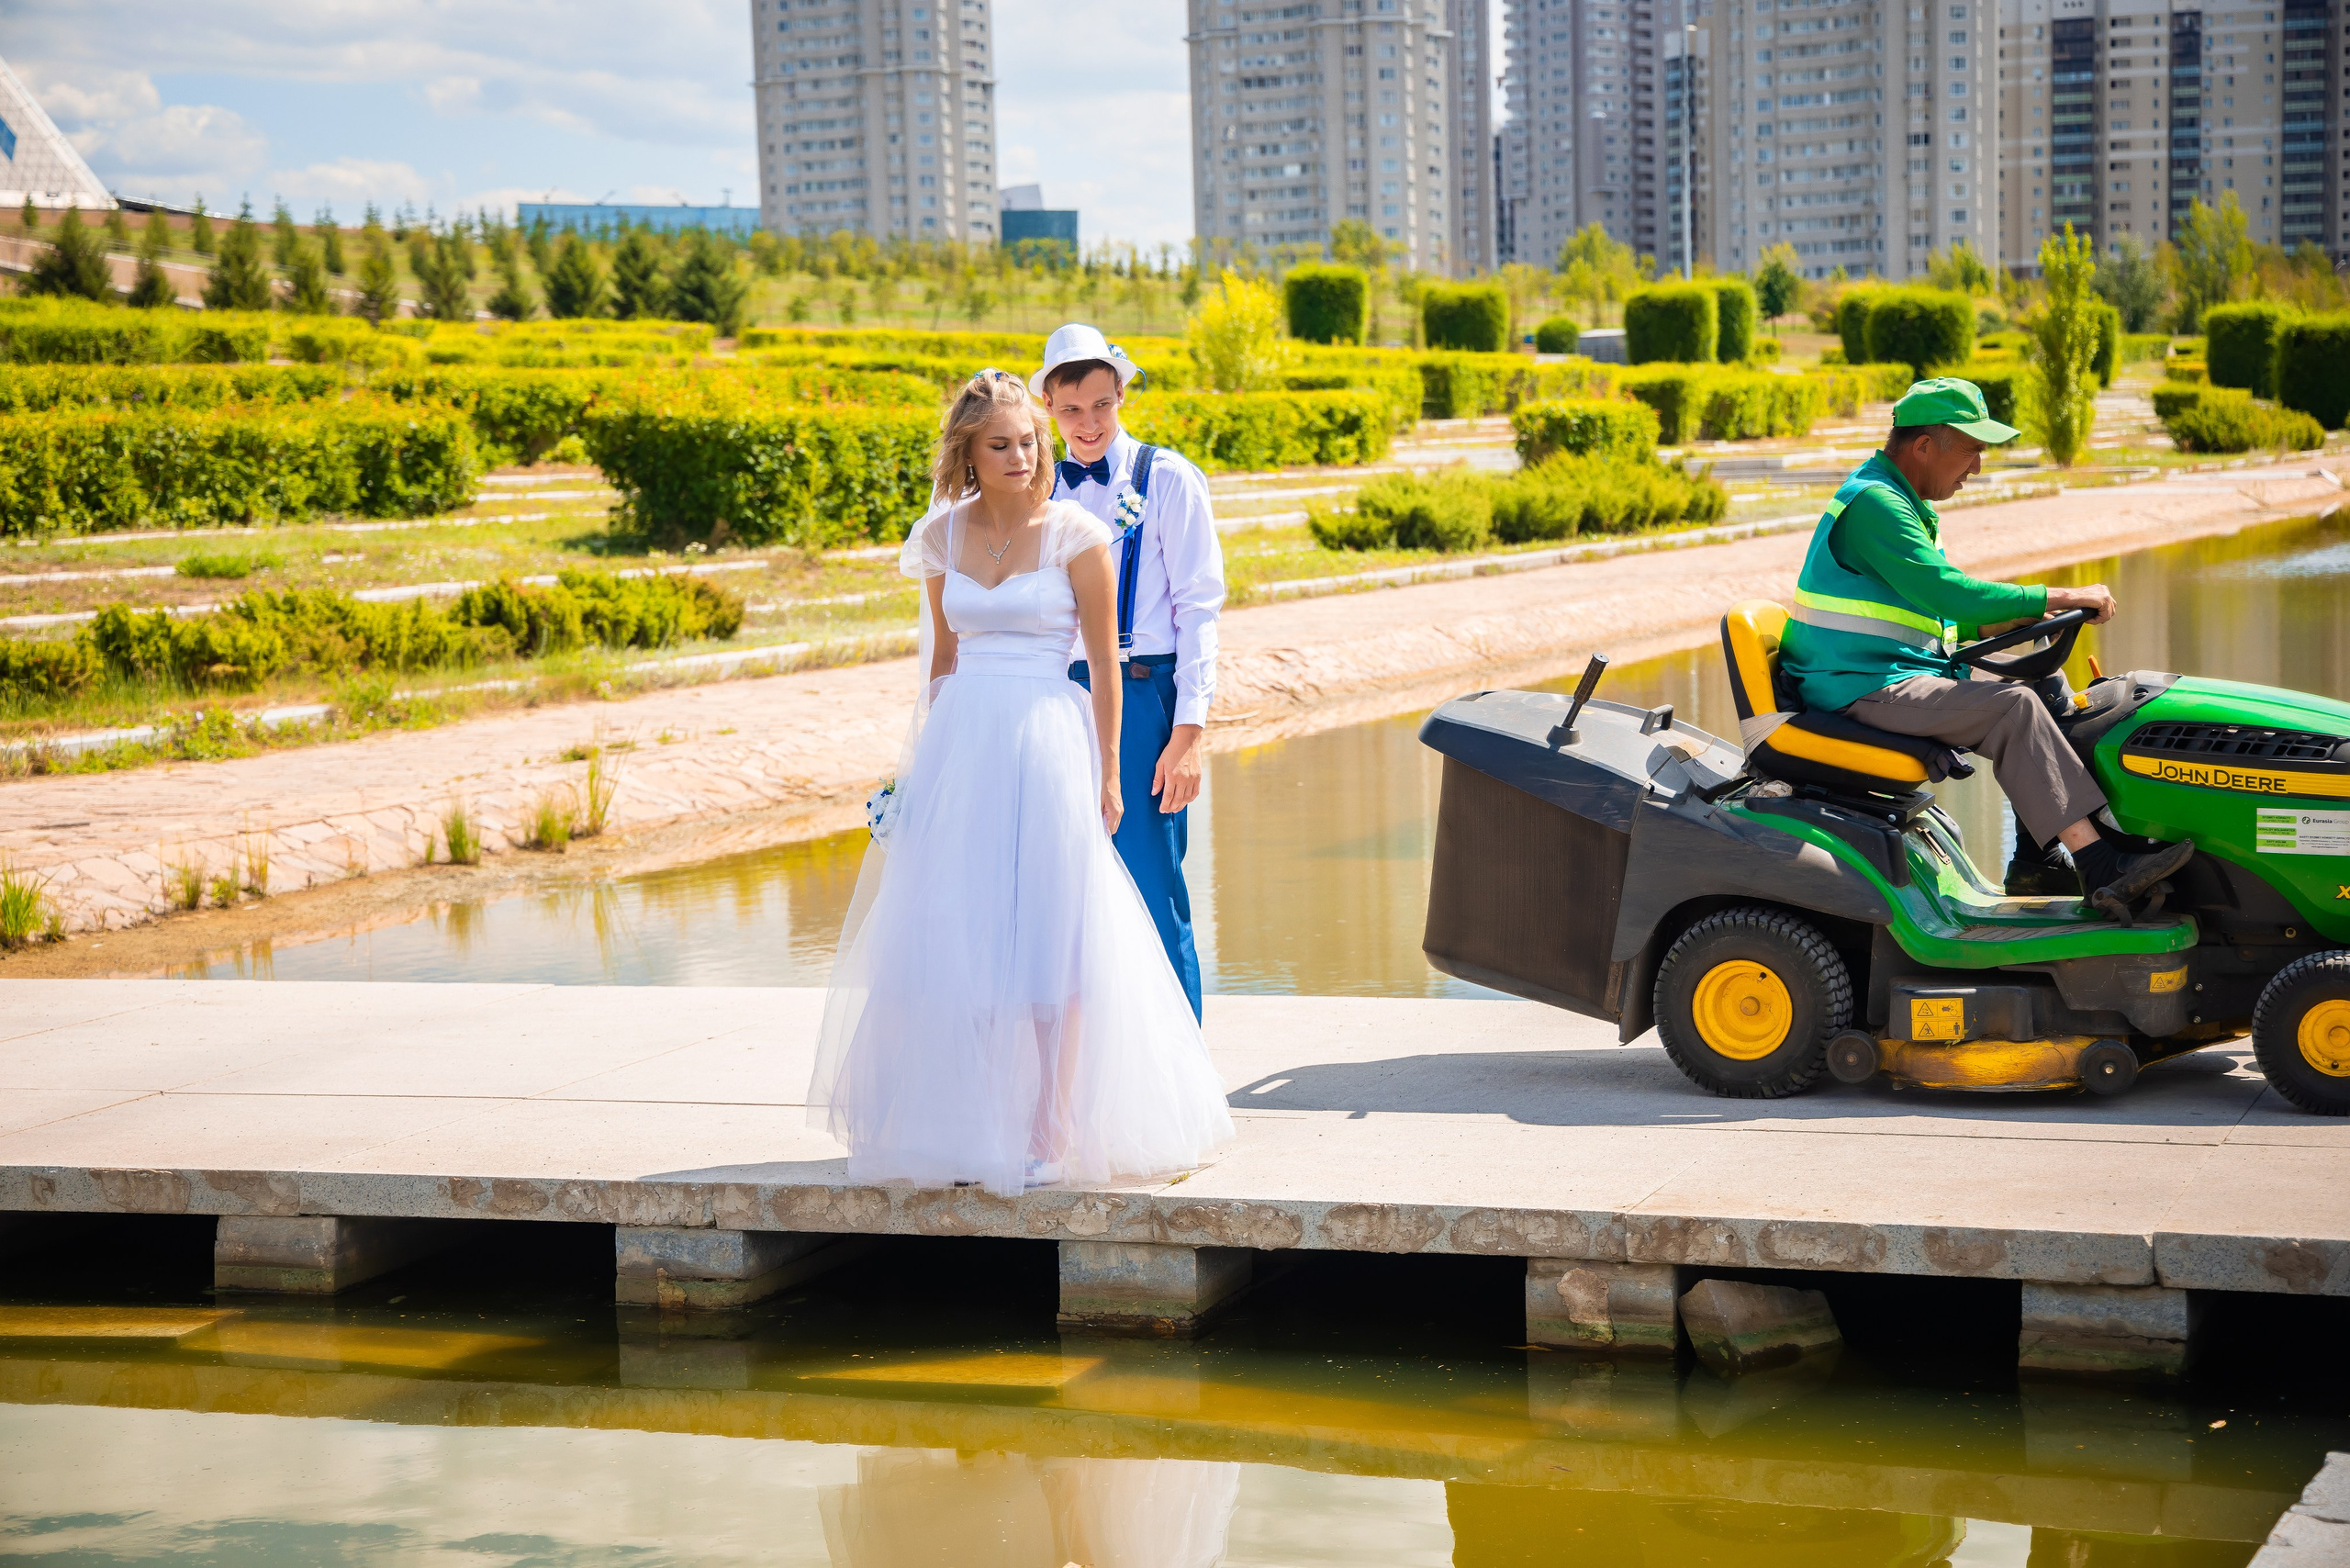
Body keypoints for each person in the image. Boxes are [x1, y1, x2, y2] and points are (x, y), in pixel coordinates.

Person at [805, 370, 1235, 1196]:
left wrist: (1108, 772)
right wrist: (922, 772)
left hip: (1046, 735)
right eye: (1000, 444)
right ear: (966, 452)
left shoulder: (1076, 533)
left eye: (1028, 440)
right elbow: (940, 660)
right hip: (966, 741)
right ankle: (974, 1116)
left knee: (1054, 936)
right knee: (960, 932)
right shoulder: (938, 538)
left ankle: (1053, 1124)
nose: (1020, 454)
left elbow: (1105, 668)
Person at [1776, 377, 2194, 915]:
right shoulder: (1876, 506)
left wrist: (2029, 617)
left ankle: (2037, 859)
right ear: (1924, 446)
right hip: (1861, 686)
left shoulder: (1901, 500)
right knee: (2014, 710)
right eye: (1971, 450)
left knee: (2041, 685)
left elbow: (1936, 612)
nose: (1976, 466)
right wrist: (2057, 594)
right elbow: (1948, 592)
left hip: (1892, 670)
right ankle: (2100, 866)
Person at [1032, 324, 1225, 1018]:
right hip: (1055, 702)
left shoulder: (1168, 478)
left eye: (1101, 406)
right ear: (1048, 407)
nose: (1088, 425)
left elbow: (1201, 606)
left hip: (1147, 700)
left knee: (1151, 884)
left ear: (1121, 397)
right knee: (1061, 892)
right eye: (1071, 410)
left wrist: (1190, 732)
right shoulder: (1036, 488)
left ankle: (1184, 1076)